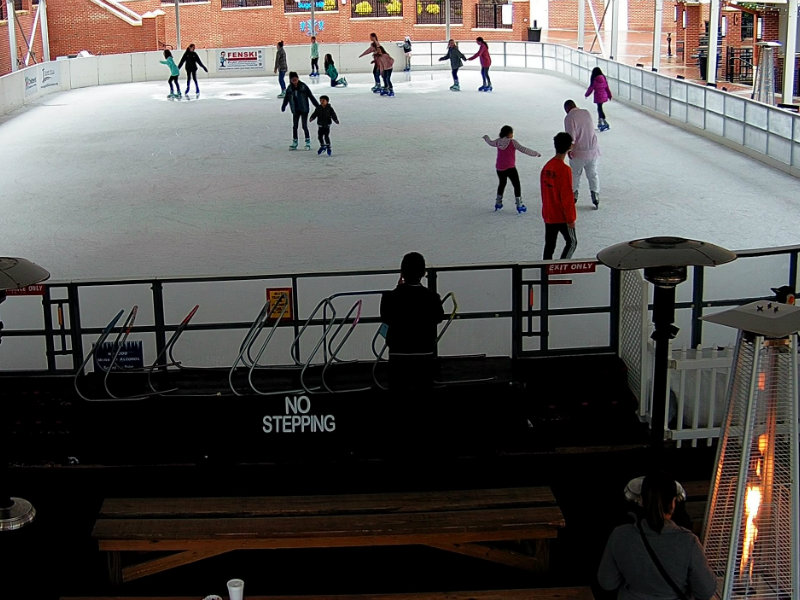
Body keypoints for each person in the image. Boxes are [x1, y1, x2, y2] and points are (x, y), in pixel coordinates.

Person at [598, 472, 717, 600]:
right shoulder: (688, 541)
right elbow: (705, 591)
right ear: (672, 503)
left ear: (641, 501)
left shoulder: (620, 535)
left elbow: (607, 583)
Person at [379, 252, 445, 391]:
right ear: (423, 273)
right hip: (424, 353)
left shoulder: (389, 297)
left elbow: (386, 318)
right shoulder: (432, 297)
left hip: (398, 354)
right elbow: (438, 317)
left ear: (402, 272)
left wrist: (399, 288)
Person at [482, 125, 542, 214]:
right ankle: (519, 204)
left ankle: (498, 202)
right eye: (511, 133)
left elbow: (490, 142)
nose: (512, 135)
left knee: (502, 183)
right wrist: (535, 153)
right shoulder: (512, 142)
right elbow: (523, 149)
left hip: (500, 168)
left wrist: (486, 138)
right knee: (516, 184)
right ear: (509, 134)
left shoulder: (498, 142)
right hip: (510, 168)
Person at [540, 131, 577, 260]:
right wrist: (571, 218)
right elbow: (566, 197)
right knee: (572, 242)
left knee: (549, 244)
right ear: (569, 147)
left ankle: (545, 270)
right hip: (561, 215)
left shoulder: (547, 167)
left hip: (549, 213)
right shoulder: (564, 170)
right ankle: (562, 266)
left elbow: (544, 191)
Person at [563, 99, 601, 209]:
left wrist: (569, 150)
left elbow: (571, 137)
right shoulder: (586, 112)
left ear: (567, 109)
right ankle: (595, 195)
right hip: (592, 151)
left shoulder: (569, 117)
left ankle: (573, 195)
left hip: (578, 153)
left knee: (575, 174)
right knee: (593, 174)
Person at [281, 72, 320, 150]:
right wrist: (284, 106)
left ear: (298, 78)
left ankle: (307, 142)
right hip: (295, 110)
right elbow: (286, 98)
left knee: (304, 126)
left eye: (295, 79)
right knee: (295, 126)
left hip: (304, 109)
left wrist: (318, 106)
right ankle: (295, 142)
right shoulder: (289, 88)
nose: (294, 81)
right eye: (293, 80)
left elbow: (311, 96)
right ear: (291, 80)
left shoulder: (303, 86)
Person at [586, 66, 612, 131]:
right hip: (604, 96)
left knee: (599, 108)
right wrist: (609, 95)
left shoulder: (595, 80)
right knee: (600, 108)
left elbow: (591, 88)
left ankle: (601, 119)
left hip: (598, 96)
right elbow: (607, 88)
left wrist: (587, 94)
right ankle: (602, 119)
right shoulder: (604, 78)